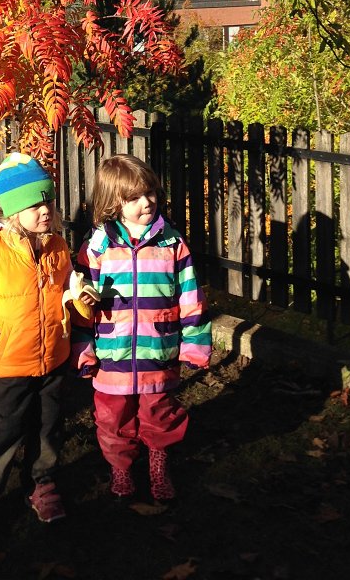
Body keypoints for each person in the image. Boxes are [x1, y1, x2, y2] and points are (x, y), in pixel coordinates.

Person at [0, 151, 96, 551]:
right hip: (9, 364)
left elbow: (67, 286)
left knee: (48, 427)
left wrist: (79, 295)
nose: (45, 210)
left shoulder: (58, 246)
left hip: (53, 358)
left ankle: (42, 484)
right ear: (13, 212)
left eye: (48, 200)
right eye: (34, 205)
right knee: (1, 433)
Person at [73, 153, 211, 503]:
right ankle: (120, 468)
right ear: (113, 202)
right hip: (112, 354)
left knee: (159, 413)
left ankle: (158, 464)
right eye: (133, 197)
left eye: (149, 193)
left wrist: (194, 344)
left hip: (158, 350)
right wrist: (83, 351)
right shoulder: (97, 248)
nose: (146, 202)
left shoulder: (171, 243)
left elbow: (191, 297)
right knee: (112, 418)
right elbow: (80, 308)